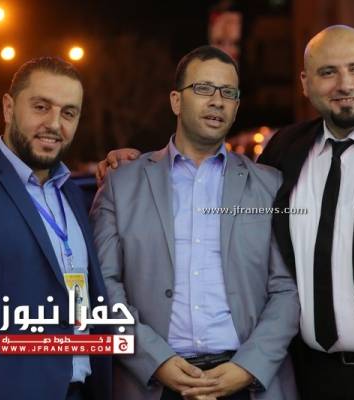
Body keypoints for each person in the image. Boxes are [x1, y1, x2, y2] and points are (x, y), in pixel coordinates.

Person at [98, 26, 354, 400]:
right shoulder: (285, 153)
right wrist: (131, 164)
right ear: (306, 84)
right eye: (328, 72)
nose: (345, 84)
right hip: (314, 379)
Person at [90, 45, 299, 400]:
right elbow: (103, 285)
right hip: (152, 383)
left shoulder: (269, 185)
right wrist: (155, 359)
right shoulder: (122, 183)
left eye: (228, 93)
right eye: (203, 88)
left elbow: (287, 289)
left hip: (247, 384)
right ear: (176, 101)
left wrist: (248, 366)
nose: (217, 101)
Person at [0, 57, 111, 400]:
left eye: (69, 113)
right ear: (8, 108)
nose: (54, 124)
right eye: (41, 107)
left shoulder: (73, 194)